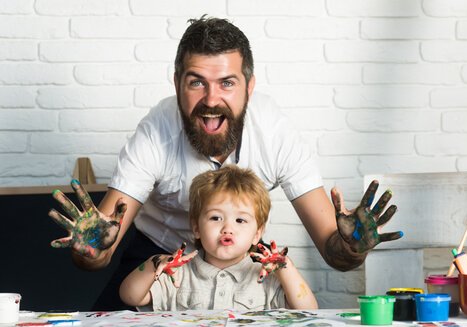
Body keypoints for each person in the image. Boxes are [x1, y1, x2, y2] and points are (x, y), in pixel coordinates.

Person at [49, 15, 403, 311]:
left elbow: (336, 252)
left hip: (241, 257)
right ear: (177, 84)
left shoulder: (275, 132)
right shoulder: (156, 131)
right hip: (160, 258)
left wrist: (353, 248)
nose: (211, 99)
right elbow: (98, 250)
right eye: (196, 83)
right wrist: (92, 249)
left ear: (249, 87)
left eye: (227, 83)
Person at [119, 165, 318, 311]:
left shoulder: (266, 277)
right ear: (196, 227)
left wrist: (286, 268)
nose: (227, 228)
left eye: (240, 220)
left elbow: (308, 311)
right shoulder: (178, 274)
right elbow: (130, 296)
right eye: (216, 218)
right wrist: (155, 262)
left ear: (257, 234)